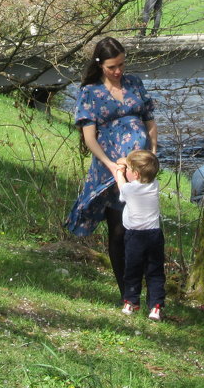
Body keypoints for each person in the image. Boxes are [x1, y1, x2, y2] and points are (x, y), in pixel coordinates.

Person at [66, 37, 157, 299]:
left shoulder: (134, 84)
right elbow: (89, 137)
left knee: (144, 227)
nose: (118, 71)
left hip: (139, 169)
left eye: (121, 65)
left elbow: (150, 121)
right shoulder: (90, 93)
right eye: (112, 67)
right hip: (110, 171)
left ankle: (151, 291)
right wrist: (110, 165)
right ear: (100, 65)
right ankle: (128, 294)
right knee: (119, 230)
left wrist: (152, 154)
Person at [112, 149, 166, 321]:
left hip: (135, 237)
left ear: (134, 174)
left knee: (132, 270)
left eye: (128, 169)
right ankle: (156, 307)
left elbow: (120, 183)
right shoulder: (154, 185)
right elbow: (143, 168)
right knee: (155, 272)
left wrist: (119, 171)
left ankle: (131, 301)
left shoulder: (129, 190)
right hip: (155, 236)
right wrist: (127, 162)